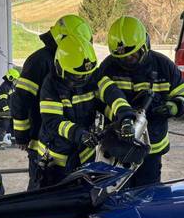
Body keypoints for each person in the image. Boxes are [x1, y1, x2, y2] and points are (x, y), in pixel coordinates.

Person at [99, 16, 184, 187]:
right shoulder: (108, 67)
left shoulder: (164, 66)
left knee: (147, 193)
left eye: (133, 55)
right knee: (116, 193)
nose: (128, 60)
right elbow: (98, 103)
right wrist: (121, 115)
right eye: (122, 58)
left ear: (145, 45)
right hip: (119, 146)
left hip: (152, 148)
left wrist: (172, 107)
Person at [38, 34, 135, 187]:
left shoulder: (91, 75)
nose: (83, 80)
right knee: (55, 197)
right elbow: (54, 121)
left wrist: (125, 117)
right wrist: (80, 134)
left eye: (86, 75)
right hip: (57, 158)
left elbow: (112, 93)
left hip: (84, 154)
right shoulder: (50, 86)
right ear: (60, 68)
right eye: (77, 76)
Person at [11, 14, 93, 190]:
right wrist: (22, 135)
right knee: (40, 188)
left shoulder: (72, 59)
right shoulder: (38, 61)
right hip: (42, 140)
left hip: (71, 141)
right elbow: (20, 99)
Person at [0, 67, 20, 148]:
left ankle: (14, 143)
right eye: (14, 79)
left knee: (13, 126)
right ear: (10, 77)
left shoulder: (11, 86)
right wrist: (6, 110)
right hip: (4, 111)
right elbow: (3, 101)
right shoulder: (4, 87)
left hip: (11, 111)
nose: (15, 81)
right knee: (3, 126)